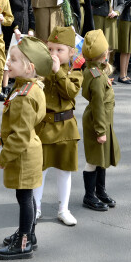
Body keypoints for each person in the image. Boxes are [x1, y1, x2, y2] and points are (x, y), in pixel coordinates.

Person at [0, 36, 52, 260]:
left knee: (25, 198)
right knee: (28, 196)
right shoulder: (27, 86)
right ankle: (29, 234)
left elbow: (21, 135)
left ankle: (23, 242)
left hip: (23, 154)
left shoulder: (25, 95)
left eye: (14, 60)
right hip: (29, 149)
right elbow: (21, 124)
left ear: (29, 68)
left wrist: (4, 157)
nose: (9, 63)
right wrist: (3, 134)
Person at [33, 27, 84, 226]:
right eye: (50, 49)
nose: (53, 54)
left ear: (71, 52)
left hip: (66, 128)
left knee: (64, 170)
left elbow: (70, 93)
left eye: (59, 50)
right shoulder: (42, 69)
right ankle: (35, 208)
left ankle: (63, 209)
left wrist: (57, 72)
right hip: (44, 126)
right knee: (40, 169)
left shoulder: (75, 72)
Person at [81, 30, 120, 212]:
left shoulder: (96, 71)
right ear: (104, 55)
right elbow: (97, 104)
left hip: (102, 120)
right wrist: (100, 131)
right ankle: (89, 196)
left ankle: (100, 191)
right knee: (94, 159)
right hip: (98, 121)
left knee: (101, 157)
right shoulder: (97, 76)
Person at [1, 0, 35, 95]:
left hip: (25, 29)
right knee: (8, 57)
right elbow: (7, 10)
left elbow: (30, 11)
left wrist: (32, 28)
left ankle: (19, 83)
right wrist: (14, 27)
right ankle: (4, 85)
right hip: (11, 29)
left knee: (23, 57)